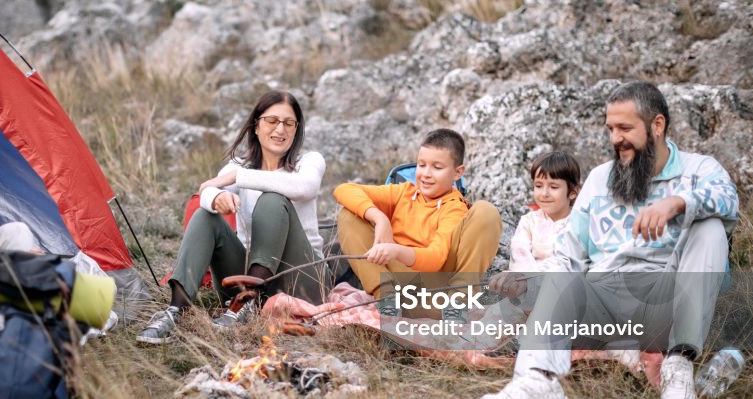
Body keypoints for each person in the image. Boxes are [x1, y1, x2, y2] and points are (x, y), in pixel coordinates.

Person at [479, 81, 739, 399]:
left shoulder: (699, 169)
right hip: (603, 302)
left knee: (711, 227)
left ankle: (679, 365)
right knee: (562, 271)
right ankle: (536, 381)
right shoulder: (600, 178)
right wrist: (528, 278)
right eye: (611, 129)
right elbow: (569, 255)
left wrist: (677, 203)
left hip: (665, 303)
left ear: (657, 125)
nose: (616, 138)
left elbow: (728, 200)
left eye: (625, 128)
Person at [137, 91, 326, 344]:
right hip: (249, 273)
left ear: (296, 130)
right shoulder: (237, 166)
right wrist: (216, 198)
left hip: (302, 279)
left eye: (289, 123)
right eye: (272, 121)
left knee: (272, 199)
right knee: (207, 216)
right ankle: (176, 311)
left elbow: (305, 187)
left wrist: (238, 178)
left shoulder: (309, 162)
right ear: (256, 126)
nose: (280, 129)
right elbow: (207, 190)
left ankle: (248, 303)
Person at [333, 128, 501, 320]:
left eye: (437, 168)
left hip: (435, 292)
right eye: (422, 165)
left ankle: (458, 303)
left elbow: (435, 258)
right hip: (397, 287)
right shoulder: (403, 192)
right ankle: (386, 297)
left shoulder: (454, 207)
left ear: (457, 173)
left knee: (486, 211)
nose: (426, 174)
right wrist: (380, 218)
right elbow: (344, 189)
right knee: (350, 214)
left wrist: (395, 250)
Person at [480, 151, 582, 334]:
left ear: (573, 192)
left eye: (553, 186)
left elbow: (571, 262)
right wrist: (526, 282)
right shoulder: (529, 221)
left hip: (562, 292)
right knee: (498, 315)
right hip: (526, 289)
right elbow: (519, 252)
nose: (544, 193)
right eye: (538, 185)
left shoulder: (579, 223)